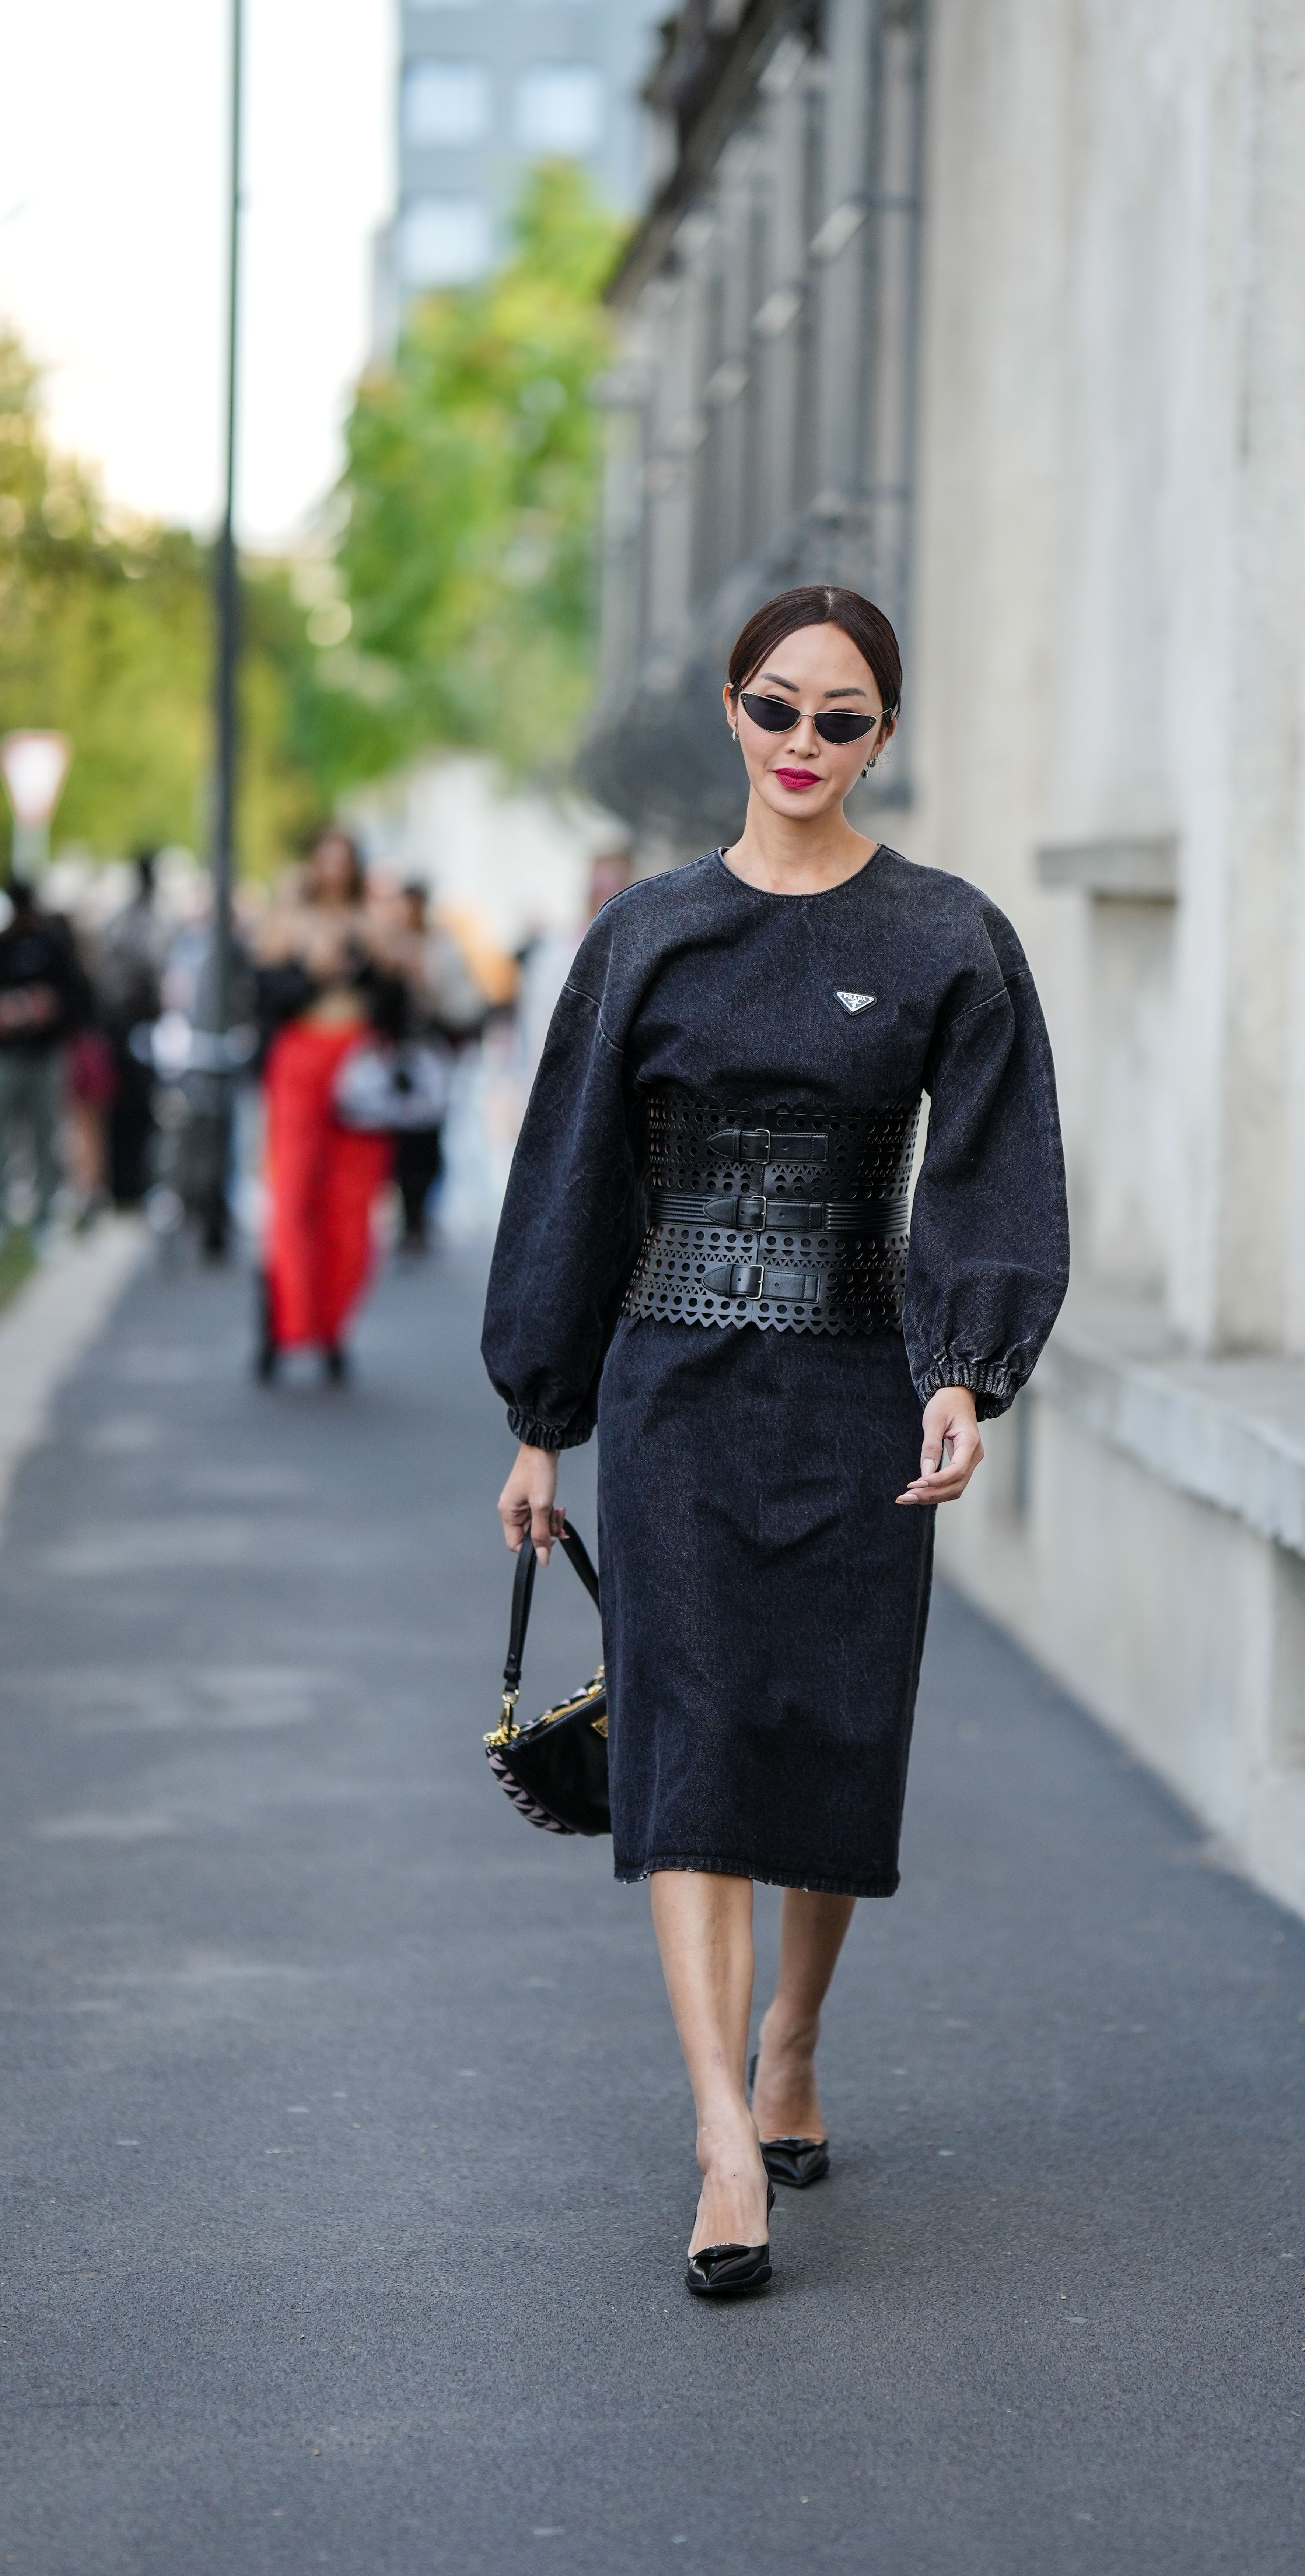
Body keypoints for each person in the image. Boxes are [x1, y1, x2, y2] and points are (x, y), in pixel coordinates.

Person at [483, 585, 1068, 2296]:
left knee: (827, 1729)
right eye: (776, 708)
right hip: (674, 1390)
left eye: (842, 718)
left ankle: (795, 2034)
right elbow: (573, 1171)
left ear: (885, 735)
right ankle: (723, 2132)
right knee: (691, 1745)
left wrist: (966, 1364)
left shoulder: (948, 937)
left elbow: (993, 1165)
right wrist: (542, 1418)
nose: (803, 744)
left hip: (856, 1392)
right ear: (732, 712)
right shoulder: (648, 933)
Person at [251, 828, 400, 1382]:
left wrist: (386, 962)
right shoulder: (287, 921)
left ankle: (334, 1325)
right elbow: (265, 995)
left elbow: (399, 1002)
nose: (335, 872)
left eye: (344, 861)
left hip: (358, 1066)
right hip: (300, 1062)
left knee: (354, 1203)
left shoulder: (375, 923)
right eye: (326, 861)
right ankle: (284, 1322)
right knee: (291, 1198)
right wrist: (309, 970)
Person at [387, 880, 486, 1254]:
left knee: (427, 1137)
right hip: (396, 1053)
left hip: (431, 1050)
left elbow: (459, 1001)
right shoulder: (389, 943)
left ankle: (419, 1215)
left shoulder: (441, 947)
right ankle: (407, 1213)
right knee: (400, 1140)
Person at [0, 876, 91, 1234]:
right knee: (6, 1136)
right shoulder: (5, 946)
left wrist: (48, 1006)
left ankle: (45, 1217)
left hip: (45, 1053)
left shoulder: (51, 946)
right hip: (9, 1055)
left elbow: (73, 997)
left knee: (46, 1134)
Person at [92, 849, 168, 1208]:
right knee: (131, 1110)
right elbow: (147, 974)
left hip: (126, 1025)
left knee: (129, 1111)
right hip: (129, 1026)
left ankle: (127, 1183)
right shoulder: (140, 920)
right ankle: (127, 1184)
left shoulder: (124, 919)